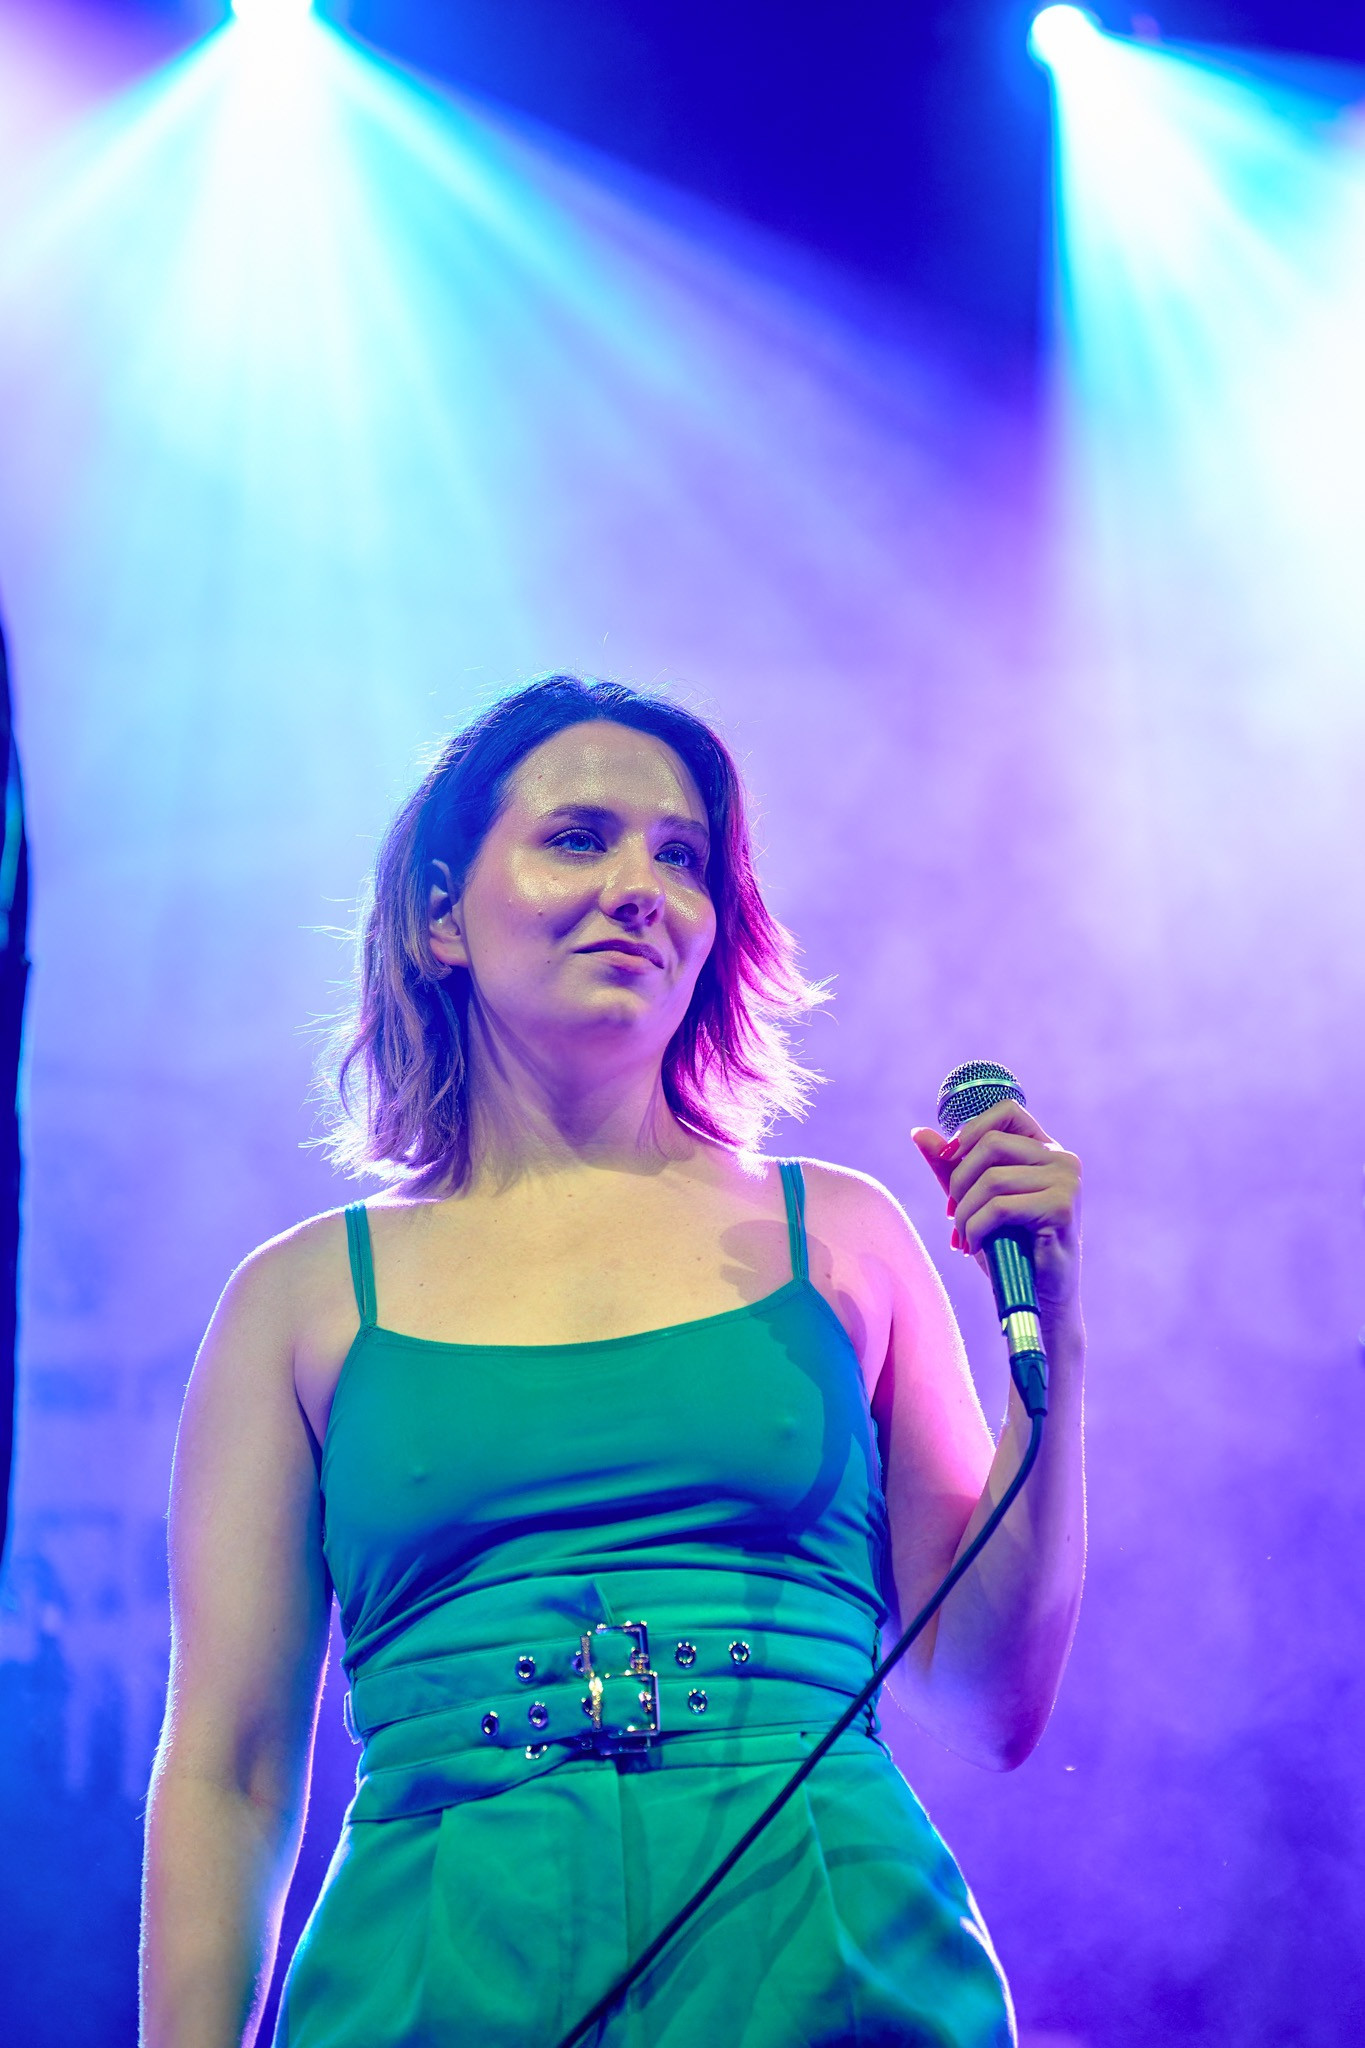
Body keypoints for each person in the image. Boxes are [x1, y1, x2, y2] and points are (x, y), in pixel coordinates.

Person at [140, 674, 1086, 2048]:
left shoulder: (843, 1237)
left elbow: (991, 1698)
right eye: (579, 837)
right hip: (442, 1973)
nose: (641, 887)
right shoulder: (297, 1300)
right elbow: (228, 1771)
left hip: (823, 1959)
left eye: (681, 856)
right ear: (442, 916)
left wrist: (1058, 1322)